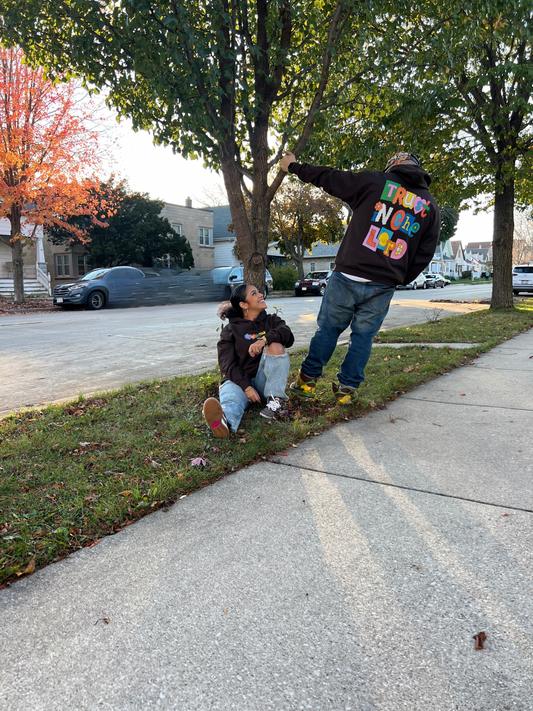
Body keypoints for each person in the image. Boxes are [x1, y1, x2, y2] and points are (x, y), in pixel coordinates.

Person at [280, 150, 441, 404]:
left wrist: (294, 167)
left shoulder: (376, 182)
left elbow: (331, 178)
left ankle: (306, 384)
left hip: (347, 275)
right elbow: (424, 254)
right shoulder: (430, 206)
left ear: (393, 166)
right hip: (383, 283)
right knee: (363, 337)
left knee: (328, 330)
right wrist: (398, 275)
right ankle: (346, 392)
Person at [203, 283, 295, 437]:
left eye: (259, 292)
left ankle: (276, 400)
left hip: (264, 381)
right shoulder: (230, 330)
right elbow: (228, 364)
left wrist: (264, 340)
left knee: (276, 346)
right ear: (243, 305)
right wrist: (246, 387)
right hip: (238, 381)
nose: (260, 295)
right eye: (254, 293)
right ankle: (224, 423)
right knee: (231, 400)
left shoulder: (271, 321)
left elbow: (288, 336)